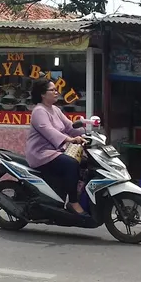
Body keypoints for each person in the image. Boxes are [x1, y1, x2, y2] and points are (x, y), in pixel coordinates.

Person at [24, 78, 88, 215]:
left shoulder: (55, 109)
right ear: (42, 94)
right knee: (71, 164)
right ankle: (72, 202)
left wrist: (88, 134)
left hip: (55, 151)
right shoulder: (39, 111)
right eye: (52, 90)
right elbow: (49, 132)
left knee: (85, 161)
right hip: (41, 154)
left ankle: (78, 193)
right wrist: (70, 139)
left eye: (56, 89)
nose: (56, 92)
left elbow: (70, 126)